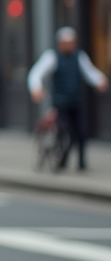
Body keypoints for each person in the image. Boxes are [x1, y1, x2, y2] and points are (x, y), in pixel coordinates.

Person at [28, 27, 108, 171]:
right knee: (64, 131)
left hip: (75, 101)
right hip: (60, 103)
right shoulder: (52, 57)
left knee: (81, 131)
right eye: (65, 43)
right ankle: (62, 159)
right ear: (59, 43)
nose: (68, 46)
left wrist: (99, 80)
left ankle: (82, 161)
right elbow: (36, 73)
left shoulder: (79, 56)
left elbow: (89, 72)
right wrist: (36, 88)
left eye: (71, 43)